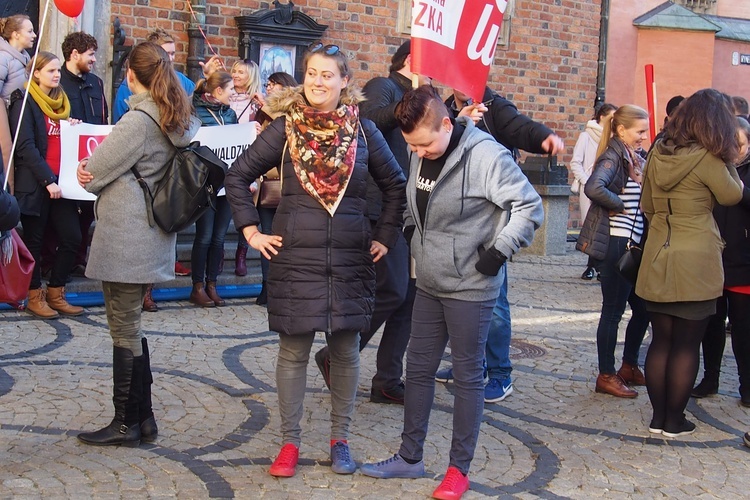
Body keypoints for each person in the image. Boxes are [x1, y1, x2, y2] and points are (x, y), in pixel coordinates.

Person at [225, 42, 406, 477]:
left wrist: (384, 234)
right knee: (293, 352)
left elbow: (396, 185)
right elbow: (237, 175)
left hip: (349, 257)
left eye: (328, 75)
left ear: (345, 82)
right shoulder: (285, 126)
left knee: (345, 350)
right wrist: (251, 230)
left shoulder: (364, 130)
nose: (318, 82)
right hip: (295, 259)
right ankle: (290, 443)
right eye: (312, 73)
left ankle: (340, 440)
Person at [360, 86, 543, 500]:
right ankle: (410, 457)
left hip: (472, 286)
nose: (419, 152)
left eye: (425, 144)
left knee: (466, 377)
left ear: (447, 124)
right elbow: (411, 199)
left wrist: (494, 256)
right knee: (418, 370)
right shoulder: (419, 146)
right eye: (412, 146)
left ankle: (458, 470)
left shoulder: (486, 156)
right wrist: (411, 233)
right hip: (428, 281)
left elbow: (530, 207)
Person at [76, 41, 201, 447]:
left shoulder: (139, 120)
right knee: (129, 323)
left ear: (131, 74)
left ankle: (125, 424)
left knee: (123, 325)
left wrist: (84, 171)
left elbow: (93, 172)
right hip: (150, 232)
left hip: (128, 234)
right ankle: (142, 418)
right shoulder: (174, 114)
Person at [314, 40, 429, 405]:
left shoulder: (424, 93)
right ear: (412, 60)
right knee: (392, 289)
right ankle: (337, 355)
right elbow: (369, 119)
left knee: (410, 299)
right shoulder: (386, 85)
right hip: (381, 209)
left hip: (415, 210)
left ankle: (388, 379)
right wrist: (411, 95)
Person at [434, 85, 565, 404]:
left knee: (494, 299)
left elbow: (520, 127)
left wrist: (542, 137)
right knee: (459, 295)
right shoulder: (446, 108)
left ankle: (501, 374)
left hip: (491, 216)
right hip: (458, 215)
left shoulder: (494, 106)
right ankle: (473, 366)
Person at [636, 89, 744, 437]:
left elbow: (648, 207)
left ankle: (657, 419)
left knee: (661, 341)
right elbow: (732, 194)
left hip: (658, 252)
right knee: (686, 344)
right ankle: (674, 420)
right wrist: (725, 155)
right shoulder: (709, 158)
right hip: (695, 254)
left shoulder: (656, 154)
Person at [575, 105, 651, 398]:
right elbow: (594, 187)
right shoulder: (613, 155)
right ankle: (606, 374)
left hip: (631, 243)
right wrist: (618, 204)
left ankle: (629, 365)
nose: (644, 136)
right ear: (621, 130)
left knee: (643, 309)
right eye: (640, 131)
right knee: (613, 312)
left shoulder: (631, 156)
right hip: (616, 243)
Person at [8, 52, 84, 319]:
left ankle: (56, 292)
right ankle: (34, 296)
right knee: (35, 243)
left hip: (62, 184)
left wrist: (72, 127)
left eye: (58, 71)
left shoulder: (61, 102)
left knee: (72, 237)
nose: (56, 75)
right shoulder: (23, 101)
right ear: (36, 73)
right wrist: (47, 180)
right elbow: (25, 147)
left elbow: (61, 139)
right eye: (50, 70)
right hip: (37, 184)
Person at [691, 117, 750, 407]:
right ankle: (710, 377)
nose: (735, 150)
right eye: (731, 144)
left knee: (744, 328)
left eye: (740, 145)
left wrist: (738, 187)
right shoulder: (712, 166)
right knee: (712, 324)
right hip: (713, 258)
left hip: (743, 262)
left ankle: (747, 385)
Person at [57, 32, 108, 279]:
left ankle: (78, 259)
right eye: (90, 54)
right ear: (74, 54)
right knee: (63, 212)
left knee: (88, 211)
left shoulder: (96, 83)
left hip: (92, 159)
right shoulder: (58, 82)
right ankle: (54, 262)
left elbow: (103, 118)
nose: (95, 60)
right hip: (64, 161)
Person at [247, 71, 297, 305]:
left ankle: (281, 286)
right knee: (267, 236)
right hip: (266, 184)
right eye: (267, 84)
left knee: (286, 239)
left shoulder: (294, 112)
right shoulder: (263, 112)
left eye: (273, 84)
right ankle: (268, 286)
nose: (268, 88)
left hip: (286, 183)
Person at [189, 71, 237, 307]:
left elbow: (239, 145)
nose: (234, 94)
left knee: (219, 237)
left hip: (227, 183)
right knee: (205, 236)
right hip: (205, 183)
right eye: (231, 90)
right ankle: (197, 286)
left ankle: (212, 284)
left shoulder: (230, 114)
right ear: (218, 91)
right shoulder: (195, 112)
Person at [570, 103, 618, 280]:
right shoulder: (586, 136)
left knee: (604, 225)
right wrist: (586, 181)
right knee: (592, 224)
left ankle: (598, 267)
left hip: (606, 187)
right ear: (602, 116)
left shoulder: (613, 138)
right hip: (589, 186)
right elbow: (576, 162)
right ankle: (591, 266)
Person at [1, 14, 36, 191]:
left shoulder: (26, 59)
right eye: (29, 31)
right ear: (15, 34)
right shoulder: (3, 59)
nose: (34, 35)